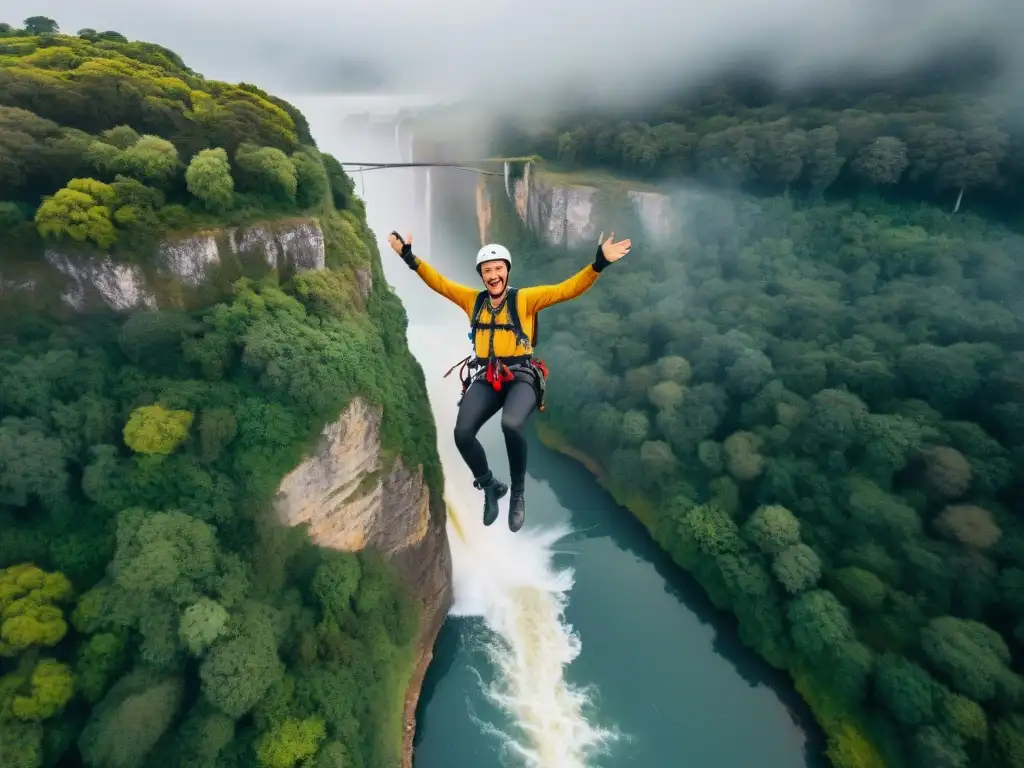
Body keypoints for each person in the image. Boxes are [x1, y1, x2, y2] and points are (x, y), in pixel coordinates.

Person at [387, 230, 631, 532]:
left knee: (511, 424)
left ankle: (517, 494)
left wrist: (598, 264)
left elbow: (567, 290)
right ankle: (490, 486)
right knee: (462, 433)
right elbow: (439, 283)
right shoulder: (473, 301)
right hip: (488, 375)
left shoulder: (524, 299)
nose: (493, 276)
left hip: (521, 376)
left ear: (507, 271)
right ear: (481, 275)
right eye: (487, 271)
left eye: (498, 269)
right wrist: (409, 257)